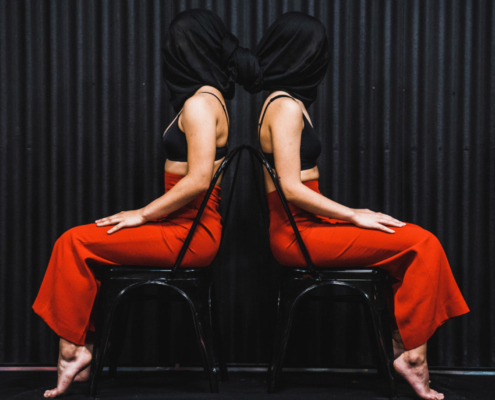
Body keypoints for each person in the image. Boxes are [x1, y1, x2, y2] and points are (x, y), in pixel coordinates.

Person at [249, 11, 469, 400]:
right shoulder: (283, 107)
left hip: (309, 226)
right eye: (317, 51)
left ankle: (404, 344)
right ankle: (412, 355)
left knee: (413, 243)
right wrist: (355, 214)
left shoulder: (287, 102)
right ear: (301, 54)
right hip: (297, 235)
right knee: (423, 243)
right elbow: (291, 188)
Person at [32, 8, 248, 398]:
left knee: (73, 242)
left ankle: (74, 351)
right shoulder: (209, 99)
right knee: (81, 243)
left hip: (189, 234)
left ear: (185, 50)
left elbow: (199, 180)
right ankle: (80, 346)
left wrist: (141, 214)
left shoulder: (200, 104)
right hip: (183, 228)